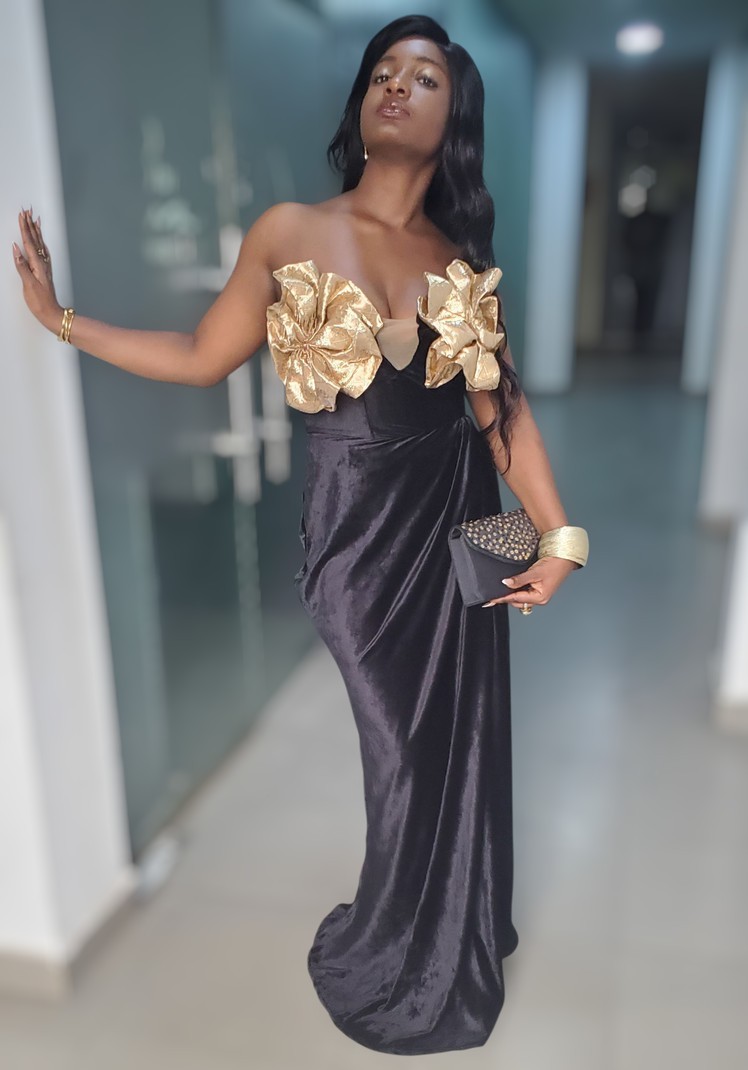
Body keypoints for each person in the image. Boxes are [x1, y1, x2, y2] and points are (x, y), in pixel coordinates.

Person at [12, 13, 588, 1057]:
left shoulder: (458, 260)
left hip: (463, 520)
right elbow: (202, 355)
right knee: (402, 753)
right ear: (361, 104)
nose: (395, 85)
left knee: (467, 730)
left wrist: (559, 540)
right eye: (382, 72)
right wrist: (61, 318)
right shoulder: (289, 229)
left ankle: (454, 935)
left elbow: (501, 412)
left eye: (423, 76)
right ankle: (397, 955)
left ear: (457, 114)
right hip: (358, 546)